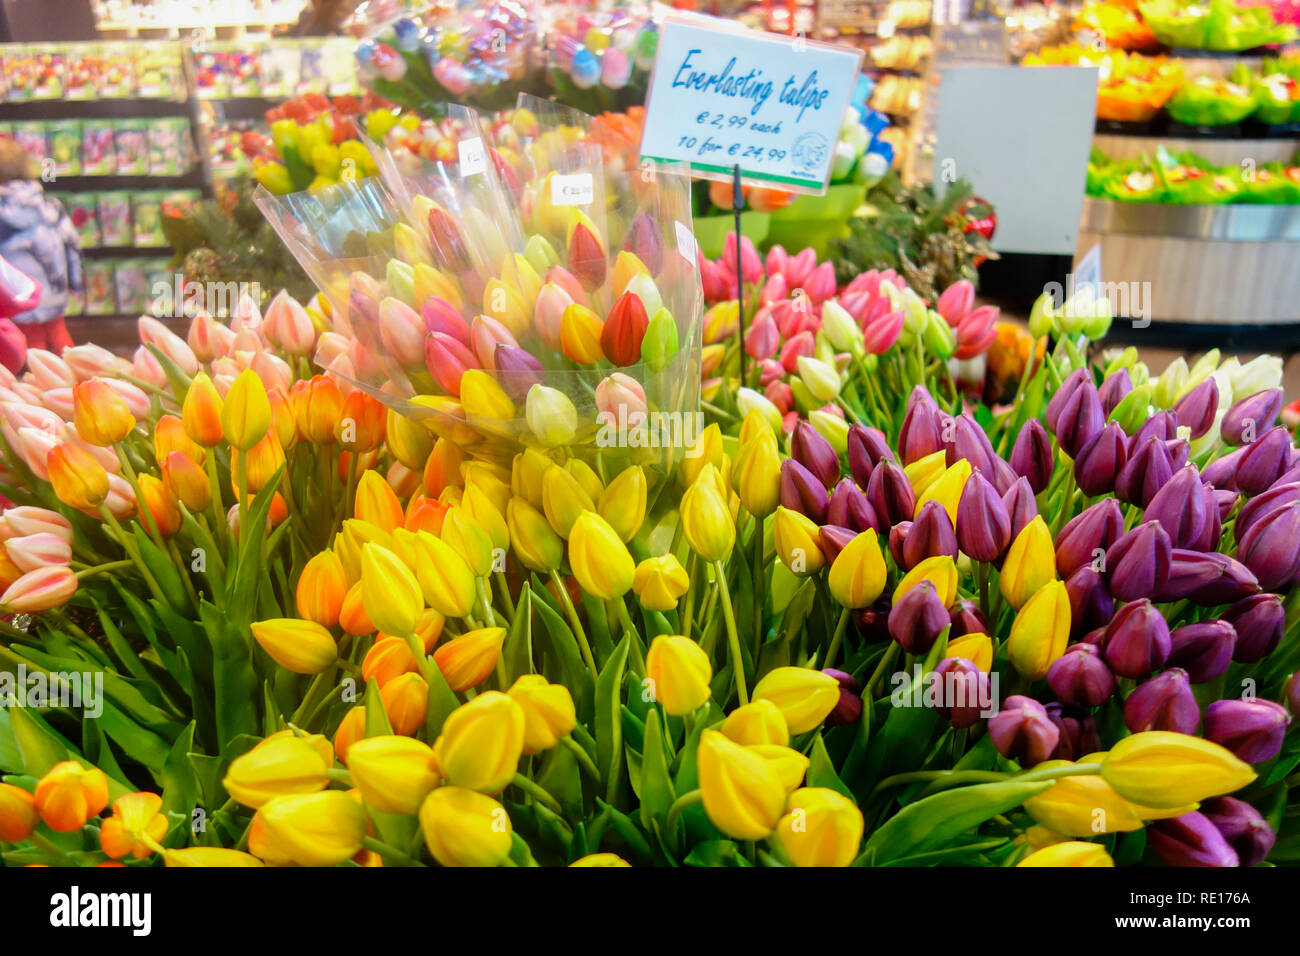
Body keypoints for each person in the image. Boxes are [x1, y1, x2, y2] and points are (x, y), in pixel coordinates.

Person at [0, 136, 82, 353]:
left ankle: (39, 385)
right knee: (59, 333)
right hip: (54, 288)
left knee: (32, 343)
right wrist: (75, 283)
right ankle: (77, 379)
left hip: (19, 295)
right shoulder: (49, 205)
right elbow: (72, 244)